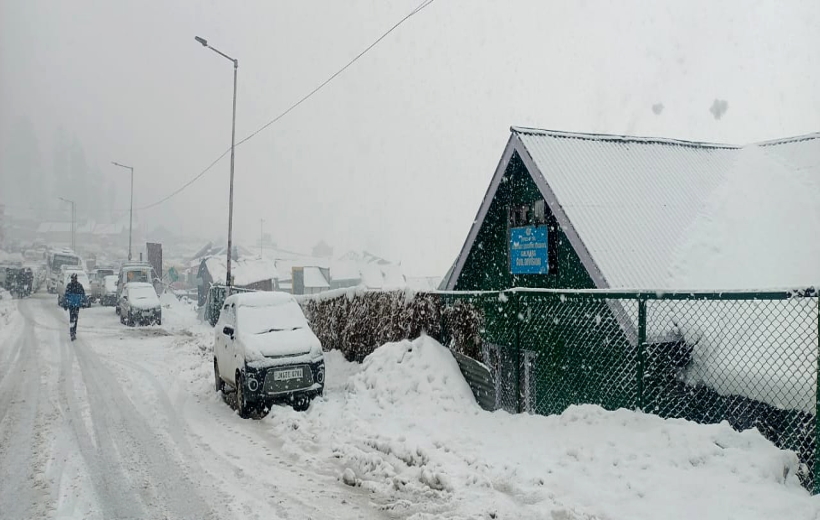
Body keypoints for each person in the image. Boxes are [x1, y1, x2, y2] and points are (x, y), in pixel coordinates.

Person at [65, 273, 85, 341]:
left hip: (76, 305)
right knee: (72, 319)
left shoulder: (78, 286)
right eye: (72, 279)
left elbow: (83, 295)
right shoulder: (70, 286)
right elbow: (66, 295)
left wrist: (83, 302)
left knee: (75, 319)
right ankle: (72, 332)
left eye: (74, 278)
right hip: (72, 305)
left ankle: (73, 331)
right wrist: (66, 303)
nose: (73, 280)